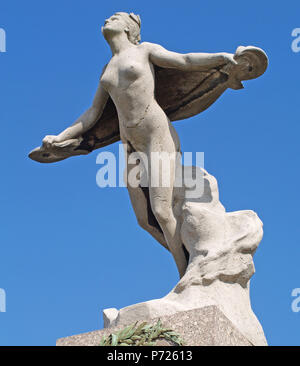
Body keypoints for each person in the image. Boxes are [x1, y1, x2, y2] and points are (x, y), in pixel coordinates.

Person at [42, 12, 237, 278]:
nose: (108, 19)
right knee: (144, 220)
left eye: (116, 17)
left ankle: (186, 276)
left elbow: (184, 61)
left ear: (129, 28)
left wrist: (220, 58)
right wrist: (61, 136)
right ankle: (188, 257)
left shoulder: (144, 50)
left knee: (161, 209)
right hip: (130, 144)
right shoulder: (107, 68)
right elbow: (92, 113)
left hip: (156, 136)